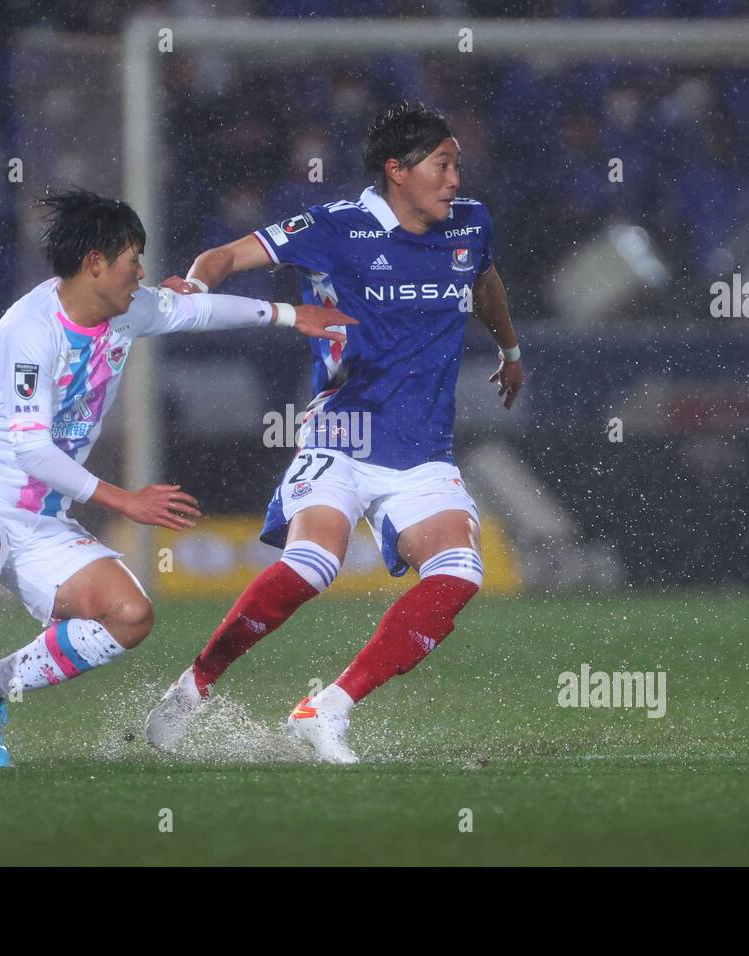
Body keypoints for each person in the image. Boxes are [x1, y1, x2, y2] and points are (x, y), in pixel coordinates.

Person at [0, 189, 353, 772]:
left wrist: (292, 317)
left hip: (42, 514)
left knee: (129, 616)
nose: (142, 273)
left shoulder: (128, 308)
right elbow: (30, 447)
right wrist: (123, 501)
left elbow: (197, 311)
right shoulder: (31, 332)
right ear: (94, 263)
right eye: (132, 259)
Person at [146, 102, 523, 763]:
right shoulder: (336, 227)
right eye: (443, 165)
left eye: (458, 164)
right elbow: (229, 254)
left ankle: (326, 708)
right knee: (313, 565)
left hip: (421, 449)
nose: (456, 179)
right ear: (397, 171)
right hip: (341, 434)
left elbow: (484, 277)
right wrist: (195, 287)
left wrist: (511, 350)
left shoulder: (472, 224)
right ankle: (197, 682)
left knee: (460, 571)